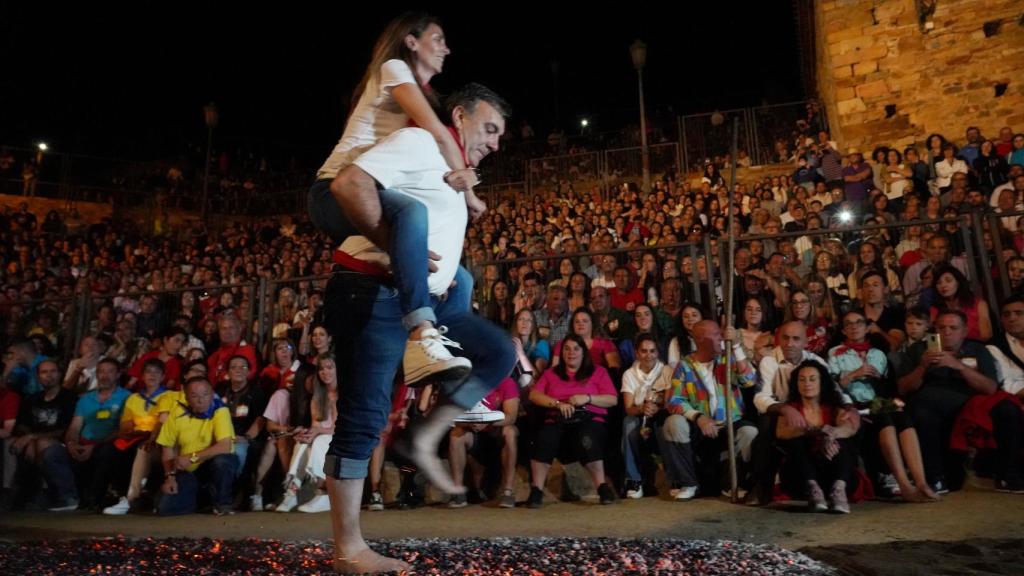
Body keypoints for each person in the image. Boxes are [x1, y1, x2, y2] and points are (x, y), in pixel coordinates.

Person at [321, 83, 515, 574]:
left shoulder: (453, 171)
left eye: (500, 135)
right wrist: (391, 240)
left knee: (498, 352)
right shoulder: (418, 142)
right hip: (370, 291)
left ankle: (423, 437)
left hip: (428, 300)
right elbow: (347, 185)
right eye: (489, 129)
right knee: (364, 419)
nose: (495, 142)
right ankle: (348, 549)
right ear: (459, 117)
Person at [308, 12, 480, 388]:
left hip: (375, 195)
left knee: (458, 277)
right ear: (411, 41)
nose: (447, 48)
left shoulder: (427, 95)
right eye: (438, 39)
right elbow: (437, 134)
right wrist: (470, 193)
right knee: (413, 212)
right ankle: (420, 332)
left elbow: (434, 150)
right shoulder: (394, 68)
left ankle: (454, 385)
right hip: (336, 192)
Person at [667, 320, 759, 497]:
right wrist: (699, 417)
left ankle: (733, 483)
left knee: (749, 432)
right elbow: (674, 400)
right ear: (701, 338)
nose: (722, 337)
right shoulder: (684, 366)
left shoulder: (727, 358)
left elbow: (748, 380)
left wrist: (737, 346)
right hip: (699, 427)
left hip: (730, 423)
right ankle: (689, 483)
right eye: (717, 334)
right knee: (673, 423)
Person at [526, 334, 619, 508]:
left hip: (589, 418)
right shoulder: (551, 373)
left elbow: (612, 399)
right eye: (567, 349)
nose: (571, 353)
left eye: (576, 349)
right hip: (558, 418)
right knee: (545, 438)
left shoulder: (598, 371)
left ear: (584, 352)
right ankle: (536, 490)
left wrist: (588, 398)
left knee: (587, 437)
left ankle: (602, 486)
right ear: (561, 353)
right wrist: (557, 403)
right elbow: (534, 395)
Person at [776, 361, 861, 513]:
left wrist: (831, 434)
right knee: (796, 440)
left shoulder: (834, 406)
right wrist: (814, 431)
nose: (807, 383)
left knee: (842, 441)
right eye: (802, 379)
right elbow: (782, 432)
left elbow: (849, 428)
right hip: (801, 473)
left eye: (812, 379)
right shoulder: (791, 408)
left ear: (822, 382)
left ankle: (838, 490)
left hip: (832, 468)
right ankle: (813, 490)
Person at [156, 377, 238, 516]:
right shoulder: (177, 412)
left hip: (208, 465)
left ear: (212, 394)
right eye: (195, 396)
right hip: (186, 470)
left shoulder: (219, 410)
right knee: (166, 508)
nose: (201, 400)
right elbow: (167, 447)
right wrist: (170, 477)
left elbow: (225, 446)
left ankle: (222, 503)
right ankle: (201, 500)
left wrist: (193, 458)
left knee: (224, 461)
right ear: (187, 398)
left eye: (205, 395)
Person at [620, 334, 672, 499]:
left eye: (652, 351)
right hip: (639, 415)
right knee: (628, 423)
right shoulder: (629, 374)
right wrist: (643, 407)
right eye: (644, 351)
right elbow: (629, 408)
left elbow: (671, 400)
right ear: (637, 353)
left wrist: (657, 407)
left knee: (667, 423)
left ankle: (674, 478)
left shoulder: (666, 371)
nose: (648, 355)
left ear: (658, 353)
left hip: (660, 415)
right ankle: (633, 480)